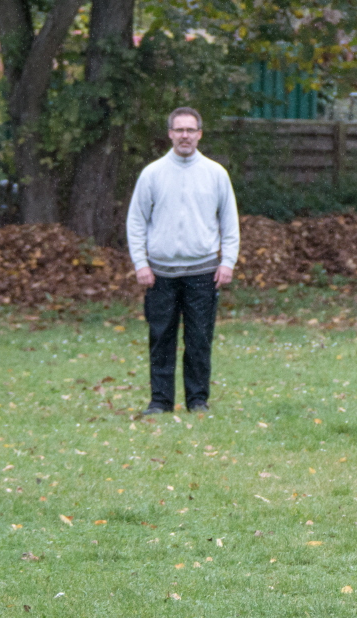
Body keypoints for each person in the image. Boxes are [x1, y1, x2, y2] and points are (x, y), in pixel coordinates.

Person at [126, 106, 240, 414]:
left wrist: (227, 261)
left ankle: (197, 400)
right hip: (160, 274)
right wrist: (141, 263)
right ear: (170, 134)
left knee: (199, 339)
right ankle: (160, 401)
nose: (185, 135)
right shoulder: (152, 174)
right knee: (161, 338)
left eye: (190, 130)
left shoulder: (216, 174)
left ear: (200, 134)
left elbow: (229, 222)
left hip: (203, 272)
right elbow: (136, 221)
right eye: (179, 130)